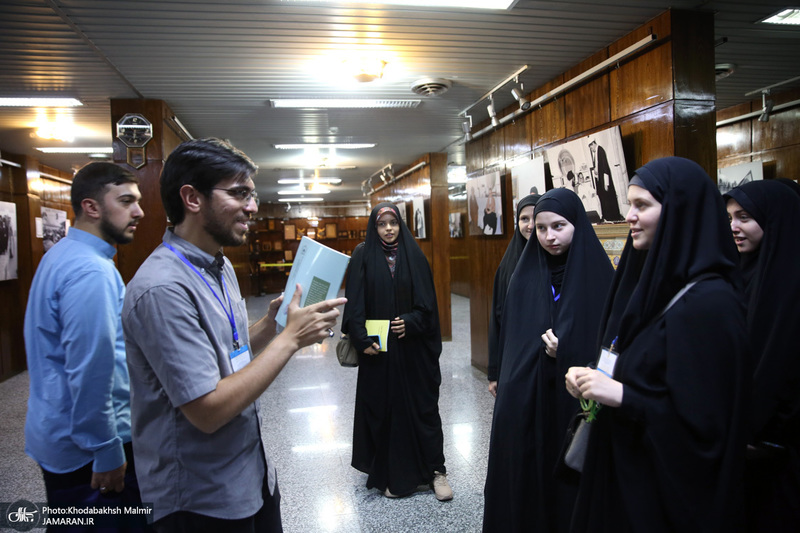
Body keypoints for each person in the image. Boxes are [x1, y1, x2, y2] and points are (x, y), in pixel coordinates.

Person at [122, 138, 346, 531]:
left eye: (252, 194)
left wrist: (273, 323)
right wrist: (289, 339)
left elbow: (232, 348)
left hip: (249, 474)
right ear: (192, 198)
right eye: (239, 193)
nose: (253, 206)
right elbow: (207, 411)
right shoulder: (162, 289)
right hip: (200, 500)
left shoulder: (217, 264)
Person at [566, 156, 749, 533]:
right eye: (630, 204)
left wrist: (622, 395)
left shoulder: (711, 303)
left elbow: (707, 426)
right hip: (624, 473)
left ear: (679, 211)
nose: (629, 216)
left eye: (642, 205)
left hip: (662, 501)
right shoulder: (644, 283)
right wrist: (595, 381)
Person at [483, 188, 614, 532]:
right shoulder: (524, 277)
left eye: (559, 226)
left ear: (577, 225)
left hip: (573, 400)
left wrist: (567, 350)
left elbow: (611, 346)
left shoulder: (599, 278)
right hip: (528, 398)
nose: (548, 237)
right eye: (541, 229)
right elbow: (513, 341)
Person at [24, 162, 145, 515]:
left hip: (58, 432)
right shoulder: (91, 270)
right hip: (89, 451)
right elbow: (92, 368)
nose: (138, 211)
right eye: (125, 201)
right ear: (91, 207)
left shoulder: (62, 254)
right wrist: (106, 449)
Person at [341, 202, 452, 501]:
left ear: (400, 224)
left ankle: (436, 472)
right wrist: (362, 339)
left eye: (393, 222)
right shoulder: (363, 256)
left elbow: (428, 307)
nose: (388, 228)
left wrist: (412, 322)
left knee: (424, 409)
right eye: (381, 224)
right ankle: (393, 475)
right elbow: (354, 304)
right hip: (380, 352)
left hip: (414, 352)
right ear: (374, 227)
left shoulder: (415, 256)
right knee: (387, 412)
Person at [724, 180, 800, 532]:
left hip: (783, 447)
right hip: (742, 444)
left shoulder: (790, 281)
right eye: (730, 217)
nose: (734, 227)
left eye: (745, 217)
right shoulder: (738, 275)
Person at [487, 193, 541, 397]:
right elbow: (497, 320)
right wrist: (494, 372)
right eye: (524, 219)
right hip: (515, 356)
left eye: (536, 218)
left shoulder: (557, 260)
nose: (530, 225)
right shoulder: (508, 266)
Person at [589, 139, 622, 221]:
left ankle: (612, 217)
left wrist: (606, 183)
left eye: (591, 148)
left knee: (609, 200)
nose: (591, 150)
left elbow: (605, 168)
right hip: (601, 181)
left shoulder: (600, 150)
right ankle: (607, 217)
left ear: (593, 144)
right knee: (604, 200)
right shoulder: (596, 153)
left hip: (605, 182)